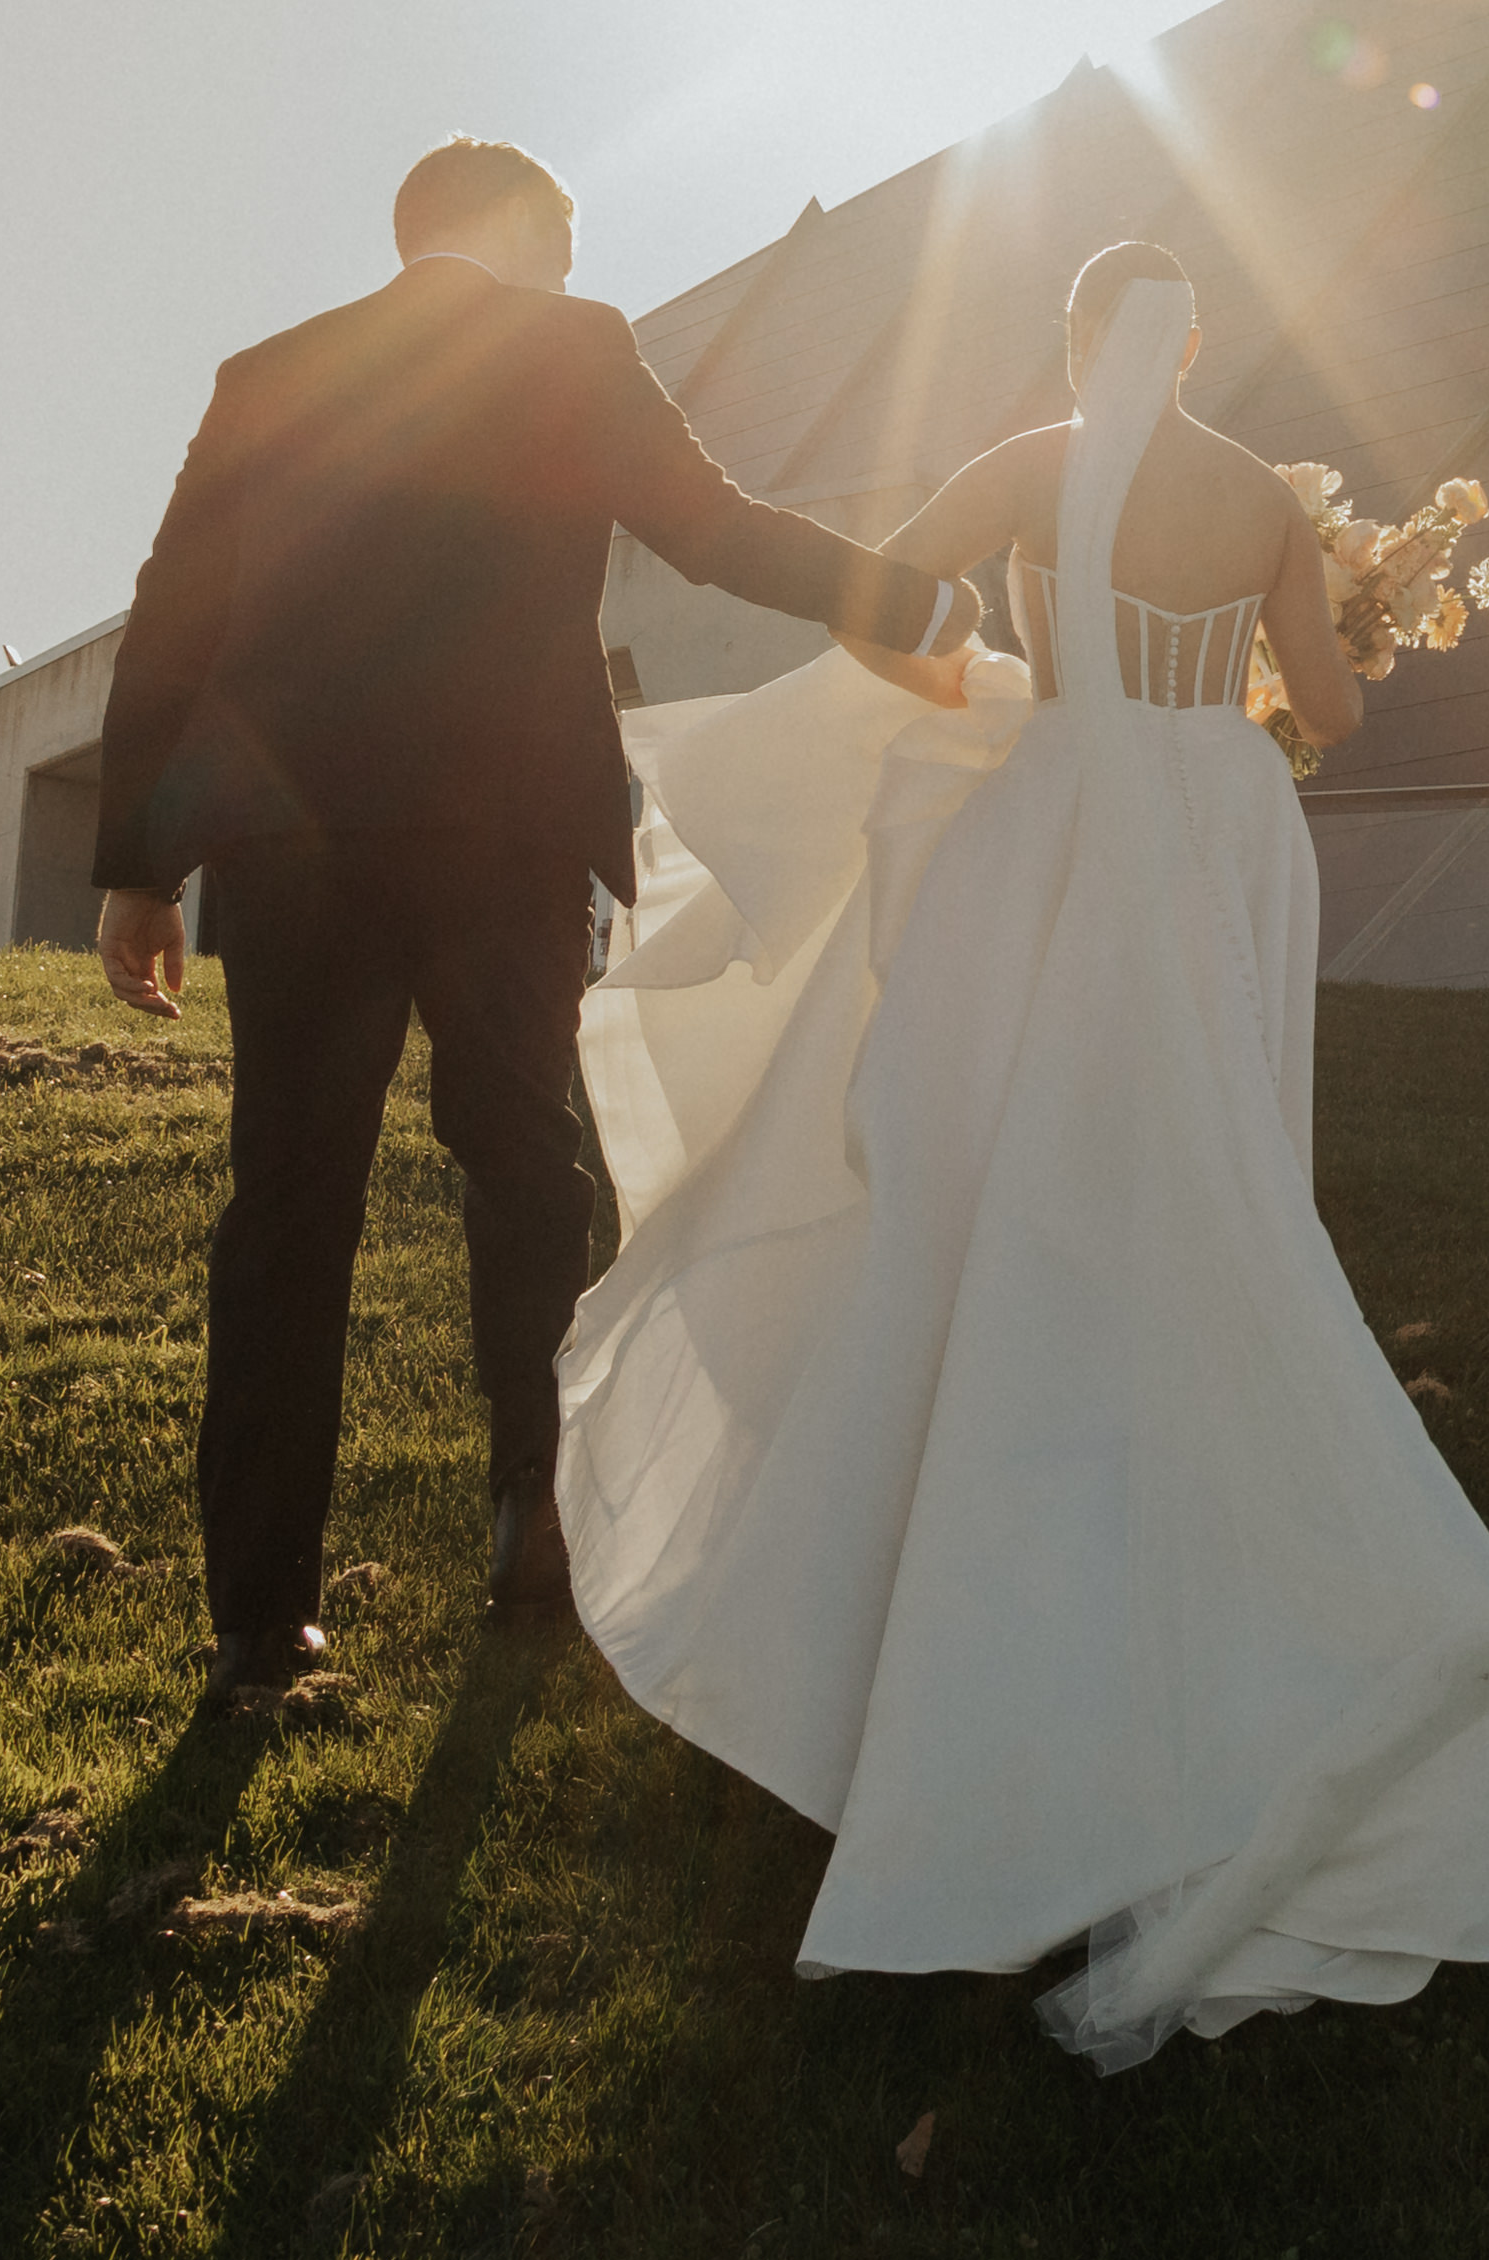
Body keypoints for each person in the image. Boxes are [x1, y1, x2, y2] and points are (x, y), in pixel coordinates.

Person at [551, 242, 1489, 2064]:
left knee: (981, 1163)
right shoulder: (1261, 499)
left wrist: (981, 677)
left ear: (1077, 338)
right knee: (1200, 1181)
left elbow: (878, 606)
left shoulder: (1029, 462)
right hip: (1210, 823)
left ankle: (972, 1513)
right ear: (1196, 341)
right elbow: (1339, 715)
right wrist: (1299, 648)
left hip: (1053, 811)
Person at [90, 136, 965, 1720]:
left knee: (288, 1210)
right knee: (518, 1156)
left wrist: (137, 864)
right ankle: (531, 1514)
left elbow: (177, 613)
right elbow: (709, 522)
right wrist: (909, 604)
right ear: (515, 230)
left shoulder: (266, 373)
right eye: (561, 243)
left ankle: (261, 1623)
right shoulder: (572, 344)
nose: (569, 270)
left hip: (297, 845)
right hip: (502, 832)